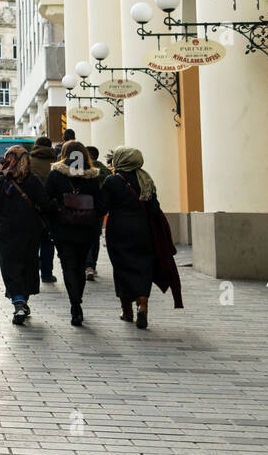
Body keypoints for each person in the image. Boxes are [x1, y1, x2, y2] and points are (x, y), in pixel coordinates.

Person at [101, 147, 174, 329]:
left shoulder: (112, 181)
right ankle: (142, 305)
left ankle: (127, 311)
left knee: (122, 268)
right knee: (142, 267)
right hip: (143, 230)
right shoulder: (146, 179)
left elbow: (103, 206)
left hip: (118, 231)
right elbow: (154, 209)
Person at [44, 139, 106, 326]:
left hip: (63, 228)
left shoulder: (56, 175)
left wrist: (57, 209)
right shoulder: (93, 176)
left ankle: (75, 305)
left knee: (68, 265)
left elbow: (47, 201)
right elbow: (100, 203)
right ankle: (78, 300)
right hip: (87, 229)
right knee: (80, 266)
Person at [0, 146, 50, 325]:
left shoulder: (0, 181)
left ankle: (18, 301)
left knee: (10, 266)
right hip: (30, 230)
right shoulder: (33, 180)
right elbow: (45, 203)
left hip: (7, 230)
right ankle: (22, 300)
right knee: (27, 264)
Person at [28, 136, 59, 282]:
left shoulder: (27, 162)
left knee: (32, 243)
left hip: (30, 208)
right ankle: (46, 273)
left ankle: (32, 272)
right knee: (48, 242)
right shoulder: (57, 163)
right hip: (50, 209)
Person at [85, 145, 112, 280]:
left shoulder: (81, 170)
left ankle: (87, 265)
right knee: (95, 236)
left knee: (85, 236)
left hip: (83, 209)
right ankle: (92, 265)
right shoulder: (105, 171)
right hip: (99, 209)